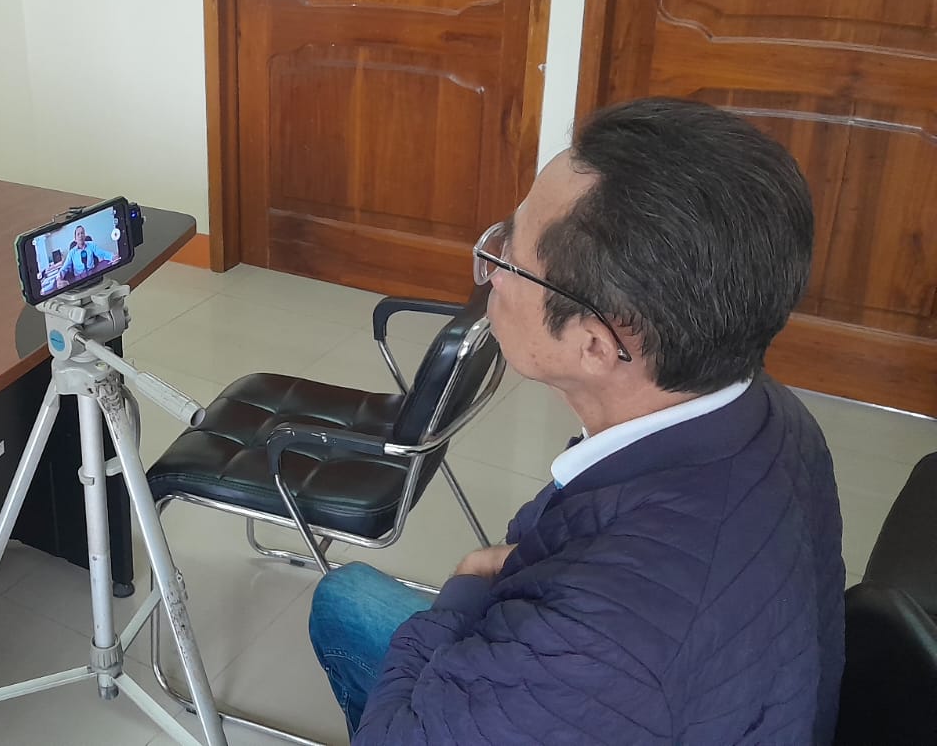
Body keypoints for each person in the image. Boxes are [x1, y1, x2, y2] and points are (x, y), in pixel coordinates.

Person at [307, 98, 844, 745]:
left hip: (601, 687)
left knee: (341, 605)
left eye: (508, 259)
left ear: (594, 344)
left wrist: (466, 589)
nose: (490, 274)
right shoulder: (770, 413)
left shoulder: (595, 651)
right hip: (696, 690)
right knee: (351, 597)